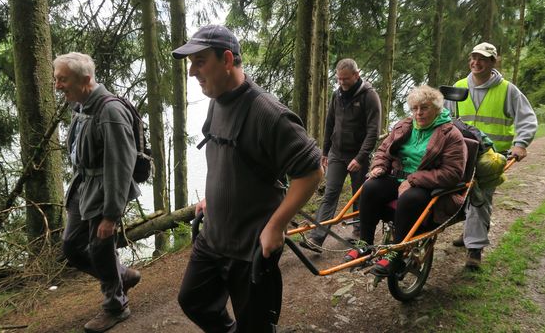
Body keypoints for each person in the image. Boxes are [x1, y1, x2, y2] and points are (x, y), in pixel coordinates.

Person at [173, 25, 323, 332]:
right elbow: (220, 156)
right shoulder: (216, 101)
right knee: (193, 300)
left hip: (254, 247)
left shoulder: (269, 114)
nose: (192, 72)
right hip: (213, 237)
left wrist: (276, 225)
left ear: (227, 60)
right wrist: (209, 198)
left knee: (255, 326)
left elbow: (312, 171)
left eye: (200, 61)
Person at [56, 52, 141, 333]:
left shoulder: (110, 112)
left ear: (86, 79)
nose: (57, 85)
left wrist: (111, 215)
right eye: (57, 79)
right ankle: (122, 275)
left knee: (100, 248)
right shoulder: (82, 106)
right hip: (84, 186)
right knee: (71, 246)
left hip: (105, 191)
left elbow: (121, 165)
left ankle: (116, 306)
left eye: (62, 79)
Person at [343, 85, 467, 275]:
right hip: (398, 177)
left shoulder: (450, 135)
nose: (418, 113)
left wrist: (414, 179)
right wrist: (379, 166)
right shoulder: (404, 126)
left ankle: (397, 254)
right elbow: (384, 151)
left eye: (424, 108)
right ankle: (365, 244)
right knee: (370, 187)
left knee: (409, 198)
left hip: (428, 185)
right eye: (414, 108)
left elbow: (452, 173)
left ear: (436, 108)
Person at [447, 42, 538, 270]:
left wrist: (521, 144)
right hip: (461, 153)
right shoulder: (458, 86)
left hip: (492, 156)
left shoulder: (508, 90)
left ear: (493, 62)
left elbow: (527, 118)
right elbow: (444, 119)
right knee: (460, 192)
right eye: (474, 58)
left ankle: (474, 250)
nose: (476, 62)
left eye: (483, 59)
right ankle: (470, 232)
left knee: (480, 197)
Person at [300, 58, 381, 252]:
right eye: (339, 79)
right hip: (337, 152)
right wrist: (325, 151)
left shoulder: (369, 96)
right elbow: (330, 124)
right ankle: (316, 239)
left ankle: (359, 231)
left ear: (356, 75)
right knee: (330, 193)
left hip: (358, 155)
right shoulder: (337, 95)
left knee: (359, 196)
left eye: (345, 79)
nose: (342, 82)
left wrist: (360, 158)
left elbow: (373, 132)